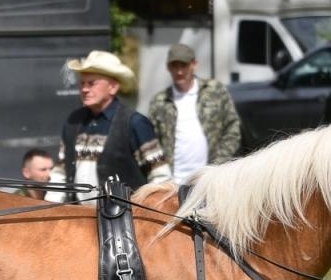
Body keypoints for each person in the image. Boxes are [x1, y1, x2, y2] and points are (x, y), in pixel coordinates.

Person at [56, 50, 170, 204]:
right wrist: (51, 207)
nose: (84, 89)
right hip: (76, 220)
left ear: (113, 87)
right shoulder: (73, 121)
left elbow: (161, 177)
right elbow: (60, 173)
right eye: (82, 83)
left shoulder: (134, 123)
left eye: (92, 83)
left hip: (123, 222)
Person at [146, 43, 242, 184]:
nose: (179, 72)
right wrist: (162, 176)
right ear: (168, 68)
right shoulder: (160, 101)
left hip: (210, 179)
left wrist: (218, 164)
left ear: (194, 65)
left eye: (183, 66)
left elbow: (232, 127)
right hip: (173, 182)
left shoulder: (214, 91)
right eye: (175, 66)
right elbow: (152, 143)